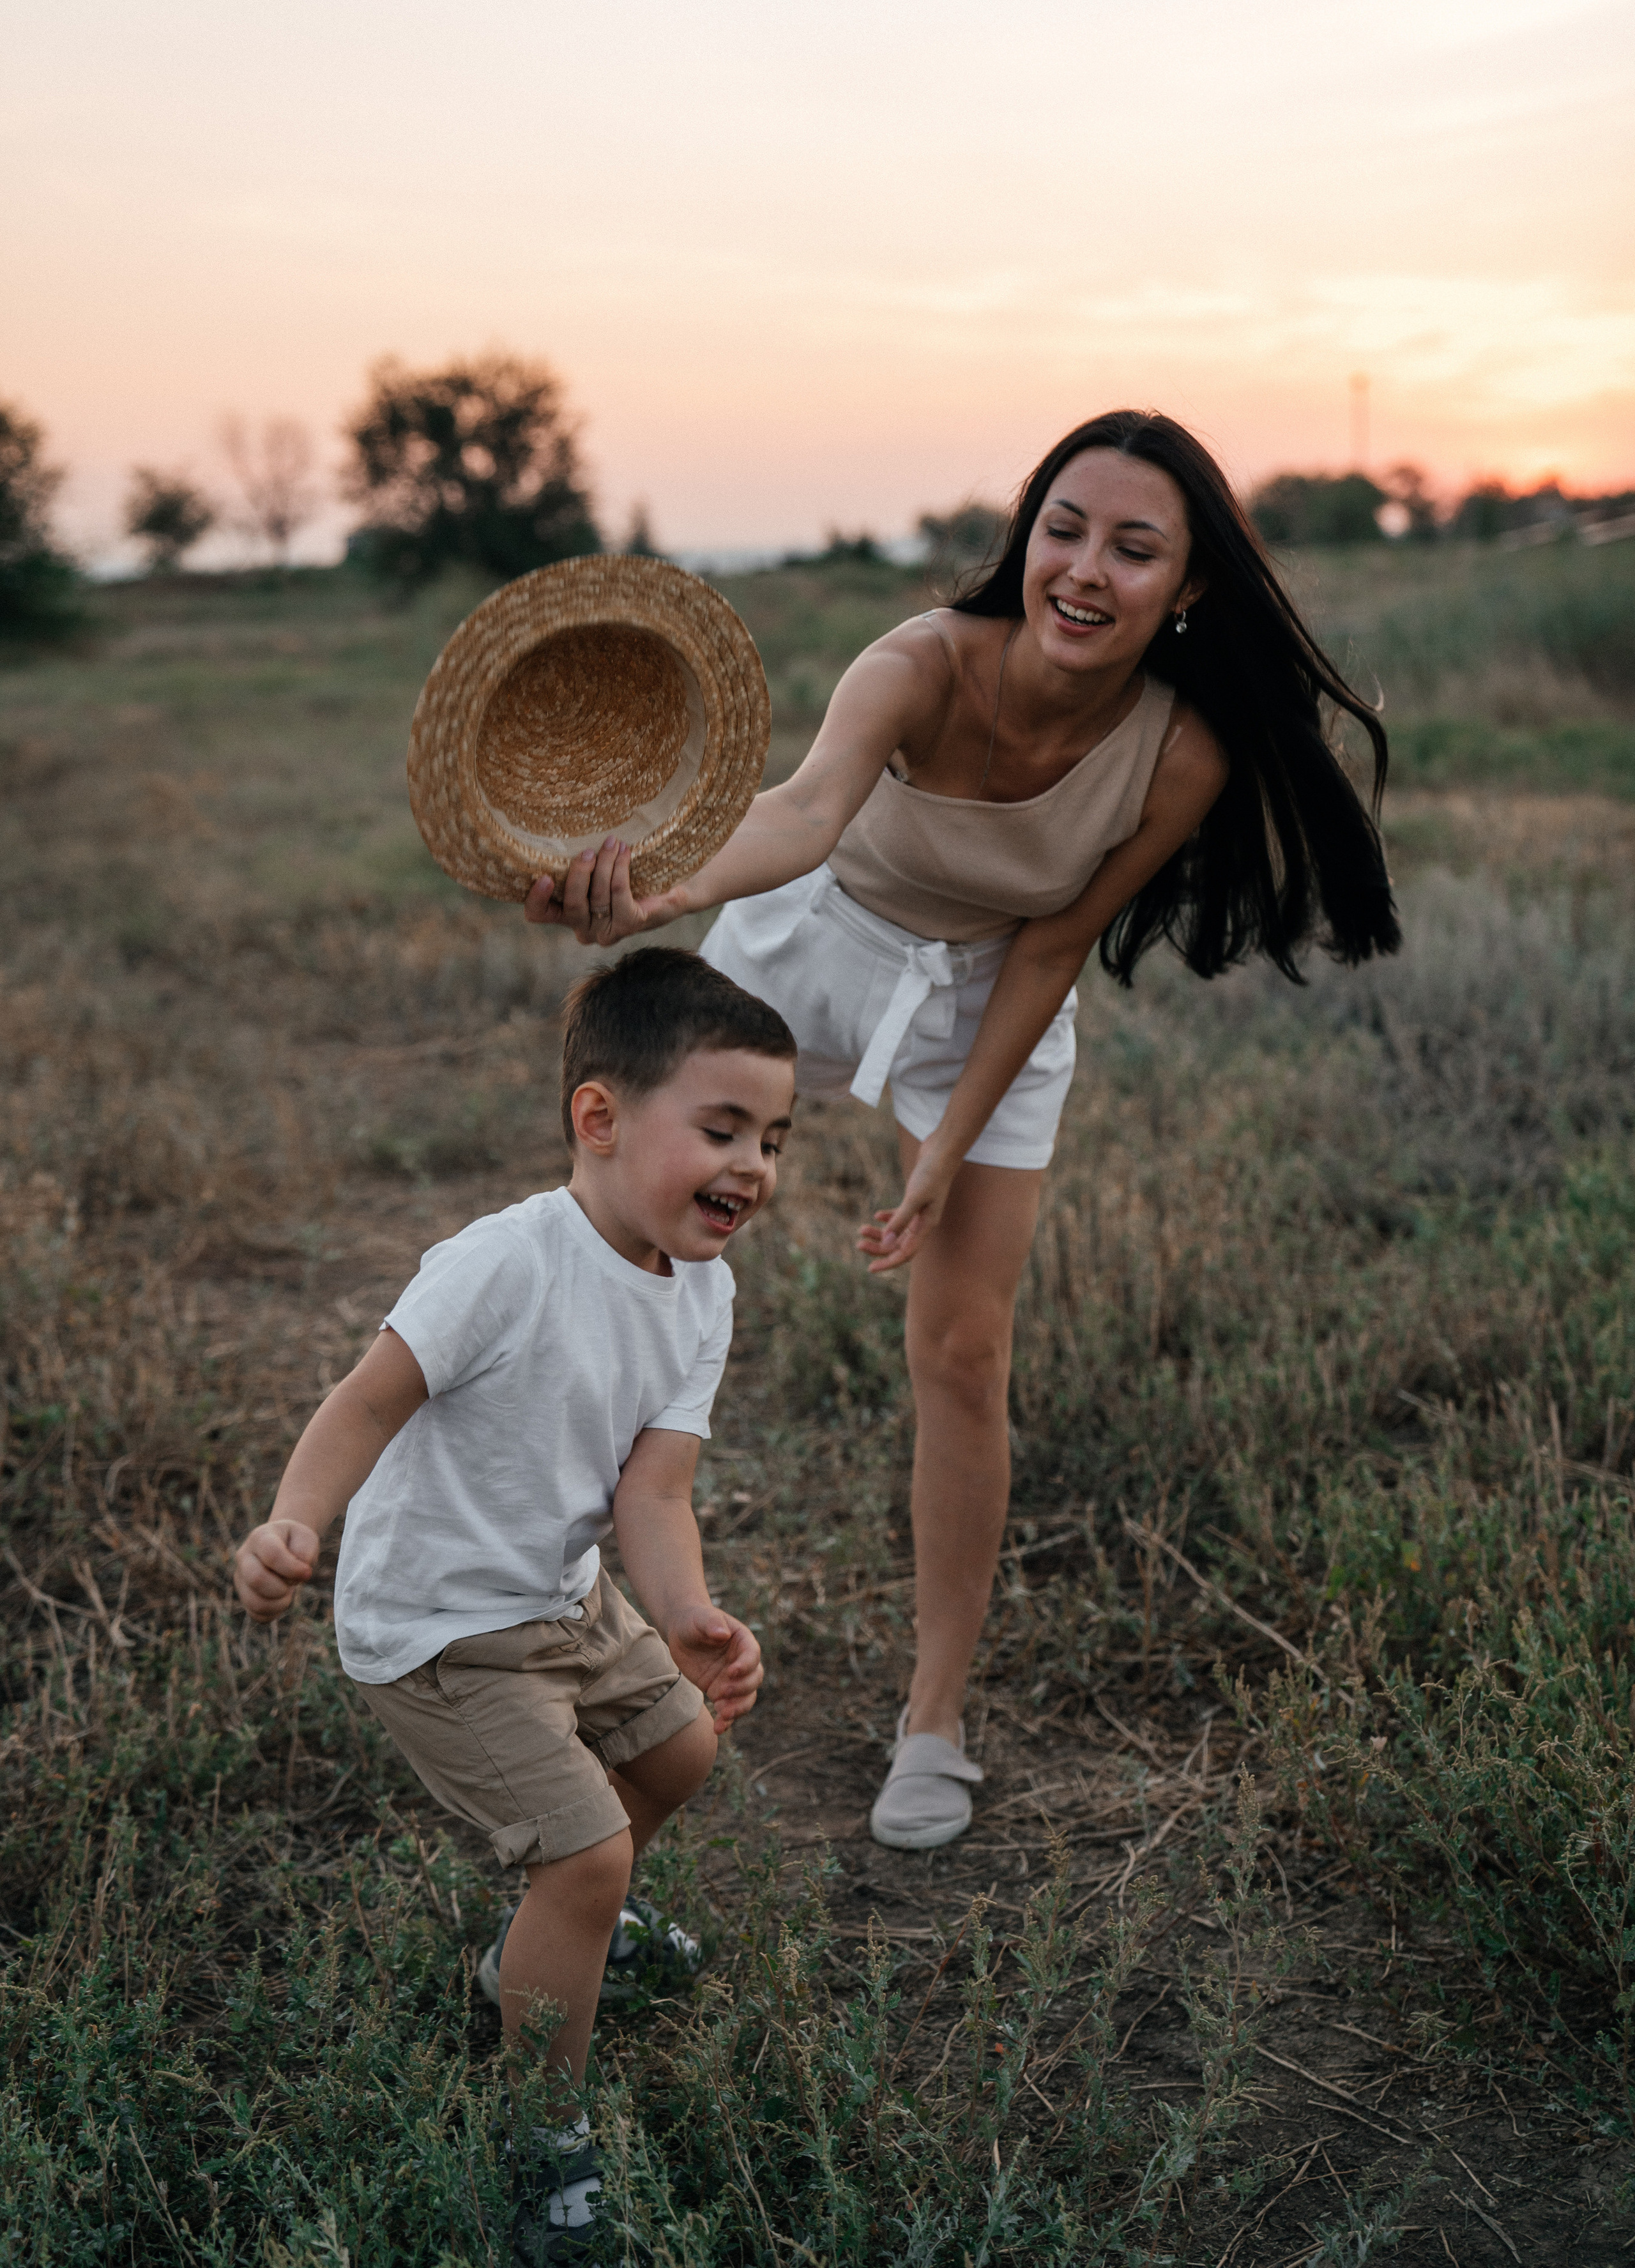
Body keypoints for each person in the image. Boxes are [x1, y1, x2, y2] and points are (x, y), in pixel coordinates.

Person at [524, 409, 1400, 1853]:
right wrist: (668, 885)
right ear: (1025, 534)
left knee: (962, 1348)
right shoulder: (920, 660)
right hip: (805, 943)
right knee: (614, 1255)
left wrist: (940, 1152)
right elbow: (802, 810)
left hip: (985, 991)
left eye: (1132, 547)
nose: (1084, 568)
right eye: (1064, 526)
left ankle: (931, 1720)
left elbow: (1051, 946)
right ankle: (564, 1619)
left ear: (1182, 588)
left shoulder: (1177, 751)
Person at [232, 948, 797, 2264]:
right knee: (587, 1851)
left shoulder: (700, 1291)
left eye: (773, 1136)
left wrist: (690, 1616)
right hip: (437, 1624)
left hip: (561, 1593)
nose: (754, 1164)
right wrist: (293, 1518)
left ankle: (542, 1944)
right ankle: (540, 2132)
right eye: (719, 1128)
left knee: (678, 1744)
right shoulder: (503, 1260)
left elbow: (654, 1493)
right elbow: (370, 1396)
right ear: (598, 1117)